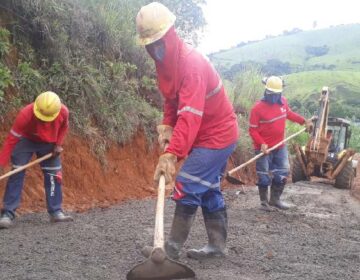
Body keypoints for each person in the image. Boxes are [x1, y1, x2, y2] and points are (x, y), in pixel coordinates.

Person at [136, 2, 239, 260]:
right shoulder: (166, 65)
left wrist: (172, 154)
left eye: (159, 42)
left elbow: (190, 118)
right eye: (151, 45)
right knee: (208, 188)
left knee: (188, 182)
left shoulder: (191, 65)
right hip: (204, 135)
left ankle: (169, 250)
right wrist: (167, 127)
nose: (155, 50)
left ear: (171, 35)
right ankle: (217, 246)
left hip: (217, 136)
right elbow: (172, 101)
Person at [0, 91, 73, 229]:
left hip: (49, 143)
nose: (45, 120)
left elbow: (64, 127)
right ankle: (7, 213)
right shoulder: (25, 114)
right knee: (17, 171)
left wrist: (58, 145)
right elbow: (11, 139)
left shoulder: (63, 112)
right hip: (26, 139)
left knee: (53, 175)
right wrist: (1, 163)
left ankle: (56, 211)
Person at [249, 76, 313, 211]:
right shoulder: (257, 108)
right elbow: (253, 130)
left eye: (276, 94)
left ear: (280, 93)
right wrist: (261, 143)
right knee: (264, 176)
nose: (273, 97)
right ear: (266, 92)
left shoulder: (283, 102)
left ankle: (275, 199)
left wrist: (304, 121)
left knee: (282, 172)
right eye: (271, 94)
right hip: (263, 149)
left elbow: (289, 114)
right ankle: (264, 203)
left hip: (280, 147)